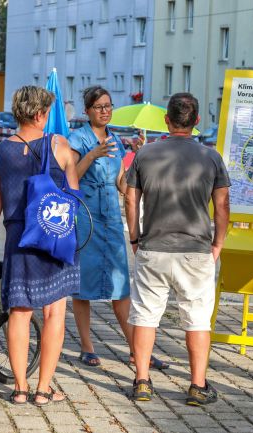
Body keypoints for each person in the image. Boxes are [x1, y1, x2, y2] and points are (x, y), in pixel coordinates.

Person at [125, 92, 230, 404]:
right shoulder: (210, 157)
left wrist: (134, 237)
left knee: (145, 314)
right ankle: (198, 386)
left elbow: (131, 198)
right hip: (196, 249)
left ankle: (142, 380)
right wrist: (218, 244)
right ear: (196, 122)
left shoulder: (145, 155)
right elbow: (222, 205)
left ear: (166, 120)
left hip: (153, 246)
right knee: (197, 318)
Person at [0, 86, 80, 406]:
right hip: (53, 237)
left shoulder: (1, 152)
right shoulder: (59, 144)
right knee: (54, 315)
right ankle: (43, 388)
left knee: (19, 314)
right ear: (39, 115)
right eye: (47, 113)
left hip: (18, 242)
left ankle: (20, 388)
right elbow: (74, 197)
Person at [67, 86, 168, 369]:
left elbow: (123, 185)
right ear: (87, 111)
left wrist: (137, 159)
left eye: (108, 106)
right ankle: (87, 347)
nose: (105, 111)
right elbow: (71, 177)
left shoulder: (115, 141)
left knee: (121, 287)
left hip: (111, 219)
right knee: (82, 286)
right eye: (99, 106)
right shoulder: (77, 139)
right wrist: (92, 155)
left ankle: (137, 350)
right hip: (86, 218)